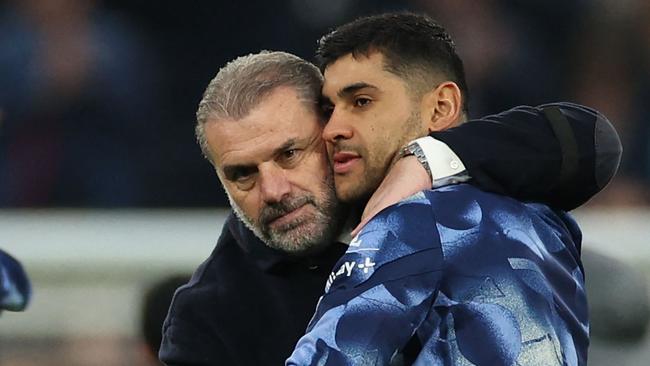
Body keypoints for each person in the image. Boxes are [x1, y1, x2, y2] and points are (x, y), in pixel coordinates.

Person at [160, 43, 620, 366]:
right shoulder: (209, 317)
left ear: (333, 128)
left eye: (289, 154)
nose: (274, 189)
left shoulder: (430, 190)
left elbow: (591, 140)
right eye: (242, 174)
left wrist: (425, 161)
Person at [287, 13, 597, 365]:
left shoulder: (411, 219)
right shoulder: (547, 219)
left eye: (361, 102)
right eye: (329, 110)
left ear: (441, 107)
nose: (332, 130)